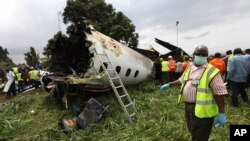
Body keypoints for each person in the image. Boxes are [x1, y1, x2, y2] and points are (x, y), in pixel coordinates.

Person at [160, 45, 228, 141]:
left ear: (207, 56)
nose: (200, 56)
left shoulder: (212, 71)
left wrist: (221, 113)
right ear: (193, 54)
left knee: (200, 136)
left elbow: (219, 93)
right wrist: (170, 84)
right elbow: (182, 79)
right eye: (198, 53)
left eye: (203, 54)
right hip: (189, 106)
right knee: (193, 131)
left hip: (203, 110)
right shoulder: (190, 66)